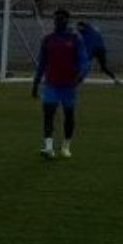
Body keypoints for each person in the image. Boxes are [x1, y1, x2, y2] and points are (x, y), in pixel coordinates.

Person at [31, 9, 89, 159]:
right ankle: (48, 147)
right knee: (48, 113)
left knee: (68, 115)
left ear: (67, 20)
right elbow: (42, 63)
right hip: (51, 84)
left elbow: (84, 60)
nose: (58, 21)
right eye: (56, 19)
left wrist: (81, 76)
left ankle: (66, 146)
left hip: (69, 85)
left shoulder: (75, 39)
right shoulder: (48, 39)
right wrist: (36, 83)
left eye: (62, 19)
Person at [76, 20, 119, 84]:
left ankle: (80, 79)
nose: (78, 29)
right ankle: (114, 78)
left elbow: (90, 45)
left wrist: (88, 56)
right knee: (102, 67)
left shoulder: (86, 34)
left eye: (79, 27)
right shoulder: (92, 30)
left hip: (96, 50)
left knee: (86, 65)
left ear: (83, 27)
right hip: (100, 49)